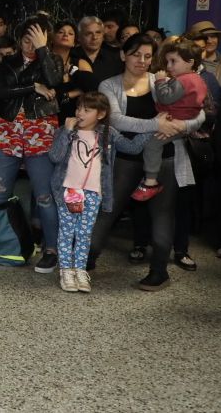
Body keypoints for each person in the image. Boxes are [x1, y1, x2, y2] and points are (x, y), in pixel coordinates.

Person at [91, 34, 203, 290]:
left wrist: (180, 126)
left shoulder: (163, 80)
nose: (142, 60)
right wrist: (155, 124)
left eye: (148, 56)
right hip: (126, 158)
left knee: (163, 214)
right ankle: (87, 259)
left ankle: (159, 271)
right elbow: (115, 119)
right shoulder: (109, 85)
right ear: (123, 55)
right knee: (108, 209)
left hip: (165, 157)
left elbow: (199, 114)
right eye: (135, 54)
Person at [48, 92, 149, 293]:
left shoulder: (108, 133)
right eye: (78, 108)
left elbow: (132, 147)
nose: (80, 113)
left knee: (84, 234)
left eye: (87, 110)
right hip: (70, 189)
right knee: (67, 232)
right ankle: (66, 271)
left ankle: (80, 270)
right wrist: (67, 132)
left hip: (93, 192)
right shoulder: (67, 131)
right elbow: (55, 156)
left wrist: (153, 128)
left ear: (101, 114)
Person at [0, 16, 64, 273]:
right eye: (26, 40)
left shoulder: (52, 60)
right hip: (7, 131)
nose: (30, 45)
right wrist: (33, 87)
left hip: (39, 132)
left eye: (37, 40)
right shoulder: (9, 61)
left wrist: (43, 50)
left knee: (44, 196)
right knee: (0, 191)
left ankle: (51, 249)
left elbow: (54, 81)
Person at [131, 38, 207, 201]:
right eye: (167, 61)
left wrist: (159, 81)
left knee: (152, 145)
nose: (169, 66)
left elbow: (165, 98)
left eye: (173, 61)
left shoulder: (183, 80)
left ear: (190, 62)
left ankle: (151, 181)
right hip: (182, 119)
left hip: (175, 120)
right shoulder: (197, 79)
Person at [71, 16, 124, 87]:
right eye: (89, 33)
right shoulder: (70, 56)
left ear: (103, 36)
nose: (94, 37)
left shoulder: (115, 58)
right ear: (79, 37)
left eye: (98, 32)